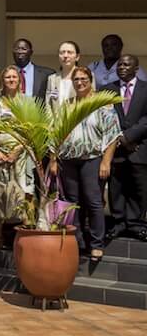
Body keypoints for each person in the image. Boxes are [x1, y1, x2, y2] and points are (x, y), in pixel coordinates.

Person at [52, 65, 120, 262]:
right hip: (68, 161)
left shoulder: (102, 104)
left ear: (91, 81)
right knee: (72, 203)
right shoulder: (68, 105)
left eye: (84, 79)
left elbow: (112, 136)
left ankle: (96, 245)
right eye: (76, 80)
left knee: (93, 201)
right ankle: (78, 242)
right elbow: (57, 133)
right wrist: (54, 160)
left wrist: (106, 162)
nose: (80, 82)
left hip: (91, 159)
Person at [106, 55, 147, 241]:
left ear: (136, 68)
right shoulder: (108, 90)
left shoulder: (145, 89)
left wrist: (129, 136)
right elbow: (105, 116)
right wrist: (120, 138)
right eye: (119, 65)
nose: (121, 67)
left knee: (139, 187)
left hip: (139, 147)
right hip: (116, 149)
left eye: (126, 64)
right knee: (117, 187)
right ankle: (119, 223)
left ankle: (136, 224)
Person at [0, 67, 33, 248]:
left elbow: (32, 129)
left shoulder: (27, 102)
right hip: (0, 154)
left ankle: (28, 233)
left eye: (14, 76)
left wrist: (17, 149)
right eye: (7, 76)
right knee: (0, 194)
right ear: (2, 80)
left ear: (20, 80)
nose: (11, 79)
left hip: (22, 154)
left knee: (26, 192)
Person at [46, 41, 83, 109]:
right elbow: (48, 104)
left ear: (77, 57)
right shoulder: (52, 78)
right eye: (62, 52)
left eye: (69, 52)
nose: (65, 56)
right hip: (55, 119)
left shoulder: (85, 77)